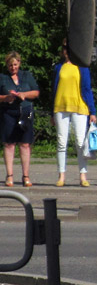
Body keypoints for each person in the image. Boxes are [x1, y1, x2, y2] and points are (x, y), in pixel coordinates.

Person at [51, 40, 97, 187]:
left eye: (69, 48)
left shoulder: (82, 67)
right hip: (61, 106)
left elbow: (87, 89)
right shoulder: (58, 67)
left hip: (80, 106)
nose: (66, 51)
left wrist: (92, 111)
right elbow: (54, 89)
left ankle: (83, 175)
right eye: (64, 48)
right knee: (61, 142)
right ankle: (61, 175)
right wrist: (52, 111)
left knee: (80, 142)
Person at [1, 51, 39, 188]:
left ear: (19, 64)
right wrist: (6, 98)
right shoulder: (3, 78)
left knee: (25, 144)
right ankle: (9, 175)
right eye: (11, 65)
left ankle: (26, 175)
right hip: (8, 112)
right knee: (9, 144)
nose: (13, 67)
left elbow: (36, 92)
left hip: (25, 111)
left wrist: (24, 94)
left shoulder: (27, 76)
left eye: (15, 65)